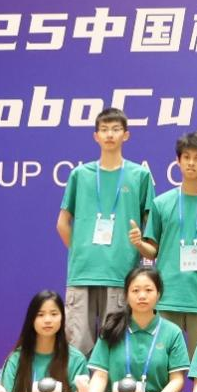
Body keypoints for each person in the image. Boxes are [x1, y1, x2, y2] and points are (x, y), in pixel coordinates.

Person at [56, 107, 158, 355]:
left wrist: (133, 247)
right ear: (96, 136)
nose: (110, 134)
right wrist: (81, 250)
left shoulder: (140, 175)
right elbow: (62, 222)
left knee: (115, 346)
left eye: (115, 129)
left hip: (120, 273)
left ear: (126, 135)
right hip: (83, 273)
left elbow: (151, 227)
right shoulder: (80, 175)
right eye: (104, 130)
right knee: (76, 346)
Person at [80, 265, 190, 392]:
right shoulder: (112, 329)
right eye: (135, 290)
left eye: (148, 290)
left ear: (159, 293)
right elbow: (100, 375)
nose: (142, 296)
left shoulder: (171, 332)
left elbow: (177, 379)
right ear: (126, 294)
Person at [140, 130, 197, 356]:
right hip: (167, 297)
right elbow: (152, 251)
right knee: (161, 365)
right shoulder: (161, 203)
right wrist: (138, 243)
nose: (191, 163)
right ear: (178, 160)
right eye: (186, 157)